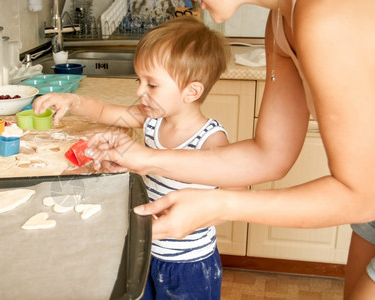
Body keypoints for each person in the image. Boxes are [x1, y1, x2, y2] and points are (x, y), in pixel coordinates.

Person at [83, 0, 375, 298]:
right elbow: (268, 156)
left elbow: (362, 196)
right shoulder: (279, 23)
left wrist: (219, 204)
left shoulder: (325, 16)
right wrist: (145, 159)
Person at [34, 16, 235, 299]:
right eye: (139, 80)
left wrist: (194, 220)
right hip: (146, 247)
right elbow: (105, 111)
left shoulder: (212, 141)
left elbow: (234, 199)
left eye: (152, 85)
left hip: (188, 263)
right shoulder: (152, 119)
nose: (140, 91)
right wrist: (73, 101)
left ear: (192, 91)